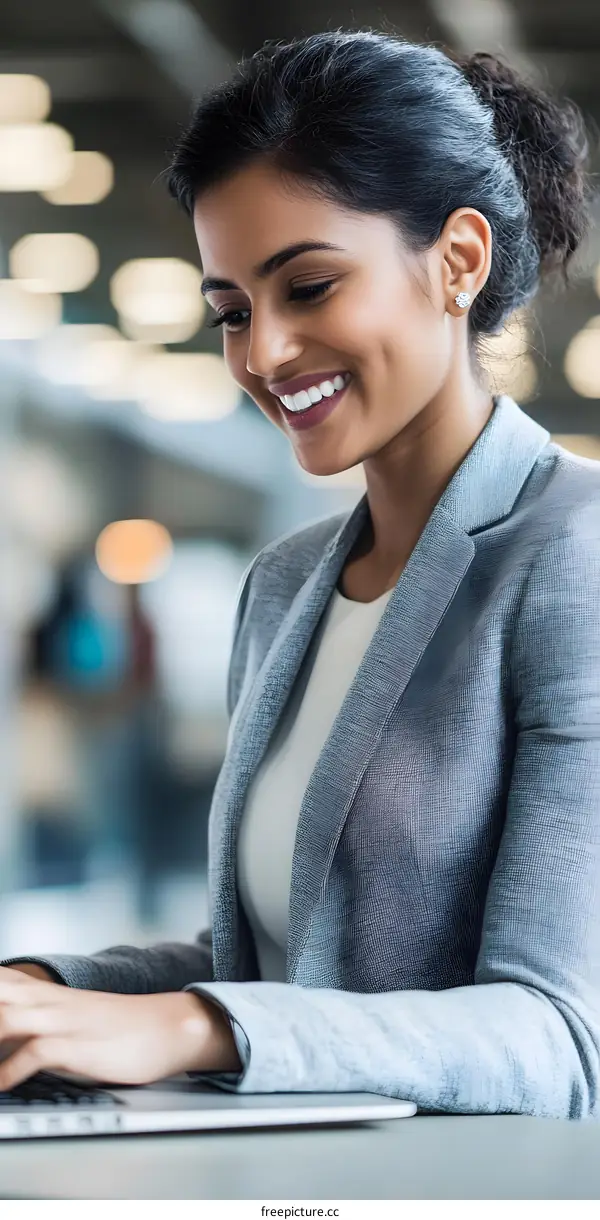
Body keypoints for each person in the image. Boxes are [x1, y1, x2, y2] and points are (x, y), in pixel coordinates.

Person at [1, 29, 599, 1119]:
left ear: (458, 261)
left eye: (309, 286)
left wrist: (191, 1024)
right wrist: (48, 990)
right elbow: (283, 964)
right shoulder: (286, 586)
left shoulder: (576, 555)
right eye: (231, 311)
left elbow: (557, 1037)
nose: (263, 354)